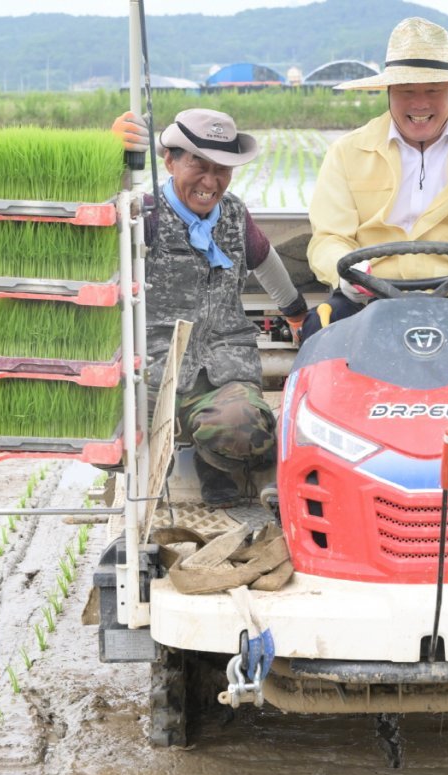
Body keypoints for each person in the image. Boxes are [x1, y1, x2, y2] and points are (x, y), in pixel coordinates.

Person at [113, 108, 307, 508]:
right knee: (110, 437)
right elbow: (93, 232)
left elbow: (265, 259)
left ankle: (216, 465)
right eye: (198, 165)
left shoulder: (234, 214)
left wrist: (298, 314)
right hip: (153, 368)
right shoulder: (142, 216)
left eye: (222, 169)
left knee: (246, 430)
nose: (210, 181)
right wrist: (113, 161)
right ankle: (154, 470)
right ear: (169, 161)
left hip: (224, 366)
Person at [303, 17, 448, 341]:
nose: (420, 103)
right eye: (406, 90)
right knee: (319, 328)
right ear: (388, 90)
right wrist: (347, 271)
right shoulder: (347, 151)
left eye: (433, 90)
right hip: (369, 294)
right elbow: (328, 238)